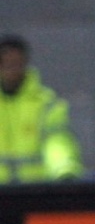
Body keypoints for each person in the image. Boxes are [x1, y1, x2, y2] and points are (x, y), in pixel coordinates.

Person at [0, 35, 83, 183]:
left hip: (35, 193)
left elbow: (56, 142)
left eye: (17, 63)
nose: (12, 70)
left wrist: (64, 171)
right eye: (7, 64)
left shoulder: (46, 105)